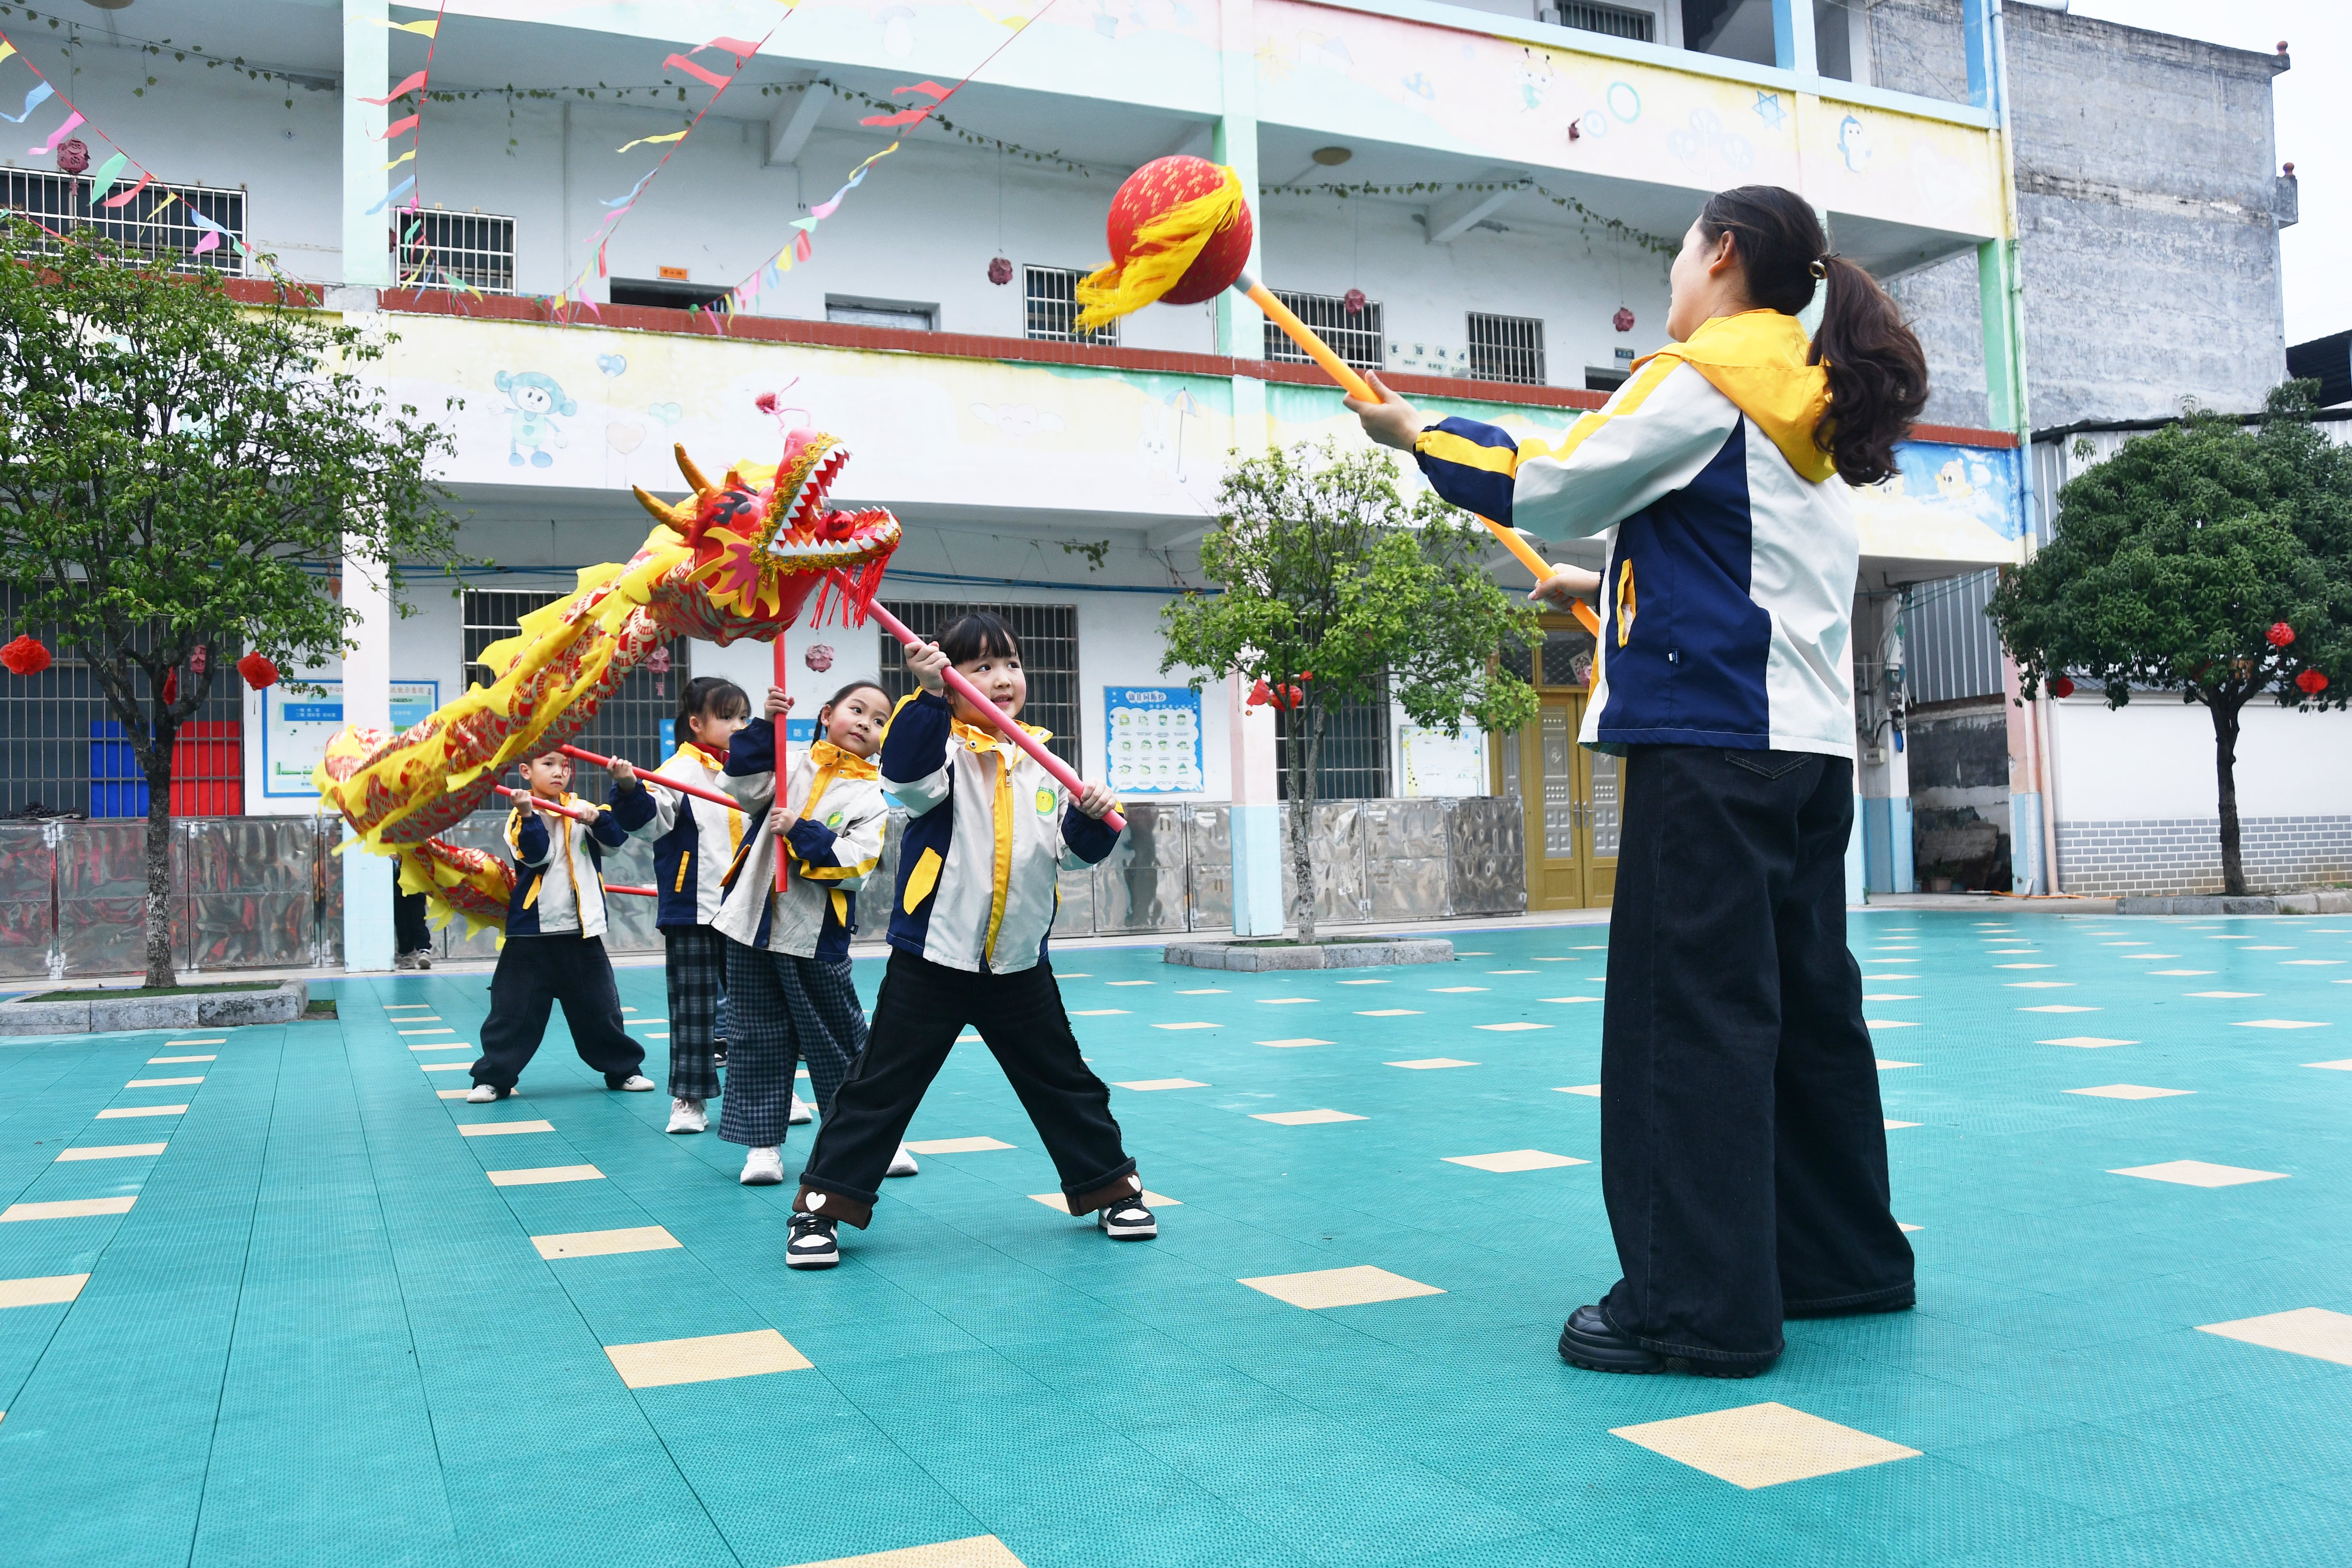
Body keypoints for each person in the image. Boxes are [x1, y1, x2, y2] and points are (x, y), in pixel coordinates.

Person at [1350, 184, 1926, 1377]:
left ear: (1722, 254)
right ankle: (1840, 1261)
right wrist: (1606, 588)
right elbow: (1746, 565)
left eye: (1680, 248)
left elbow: (1552, 480)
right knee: (1808, 1016)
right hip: (1806, 758)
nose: (1672, 272)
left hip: (1711, 755)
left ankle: (1692, 1310)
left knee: (1689, 1024)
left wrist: (1417, 434)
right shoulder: (1807, 399)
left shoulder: (1703, 376)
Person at [783, 612, 1141, 1270]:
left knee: (1064, 1082)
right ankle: (820, 1210)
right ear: (951, 681)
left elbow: (1071, 854)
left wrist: (1092, 818)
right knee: (879, 1087)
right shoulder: (939, 746)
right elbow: (907, 782)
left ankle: (1112, 1190)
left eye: (1011, 665)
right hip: (933, 959)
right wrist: (925, 698)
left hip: (1019, 964)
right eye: (982, 668)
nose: (1002, 679)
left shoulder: (1043, 761)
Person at [711, 679, 893, 1187]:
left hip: (816, 935)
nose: (865, 723)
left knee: (841, 1041)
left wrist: (800, 831)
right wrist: (763, 727)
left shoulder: (873, 796)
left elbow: (856, 866)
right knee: (756, 1038)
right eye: (857, 710)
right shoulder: (788, 761)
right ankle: (763, 1146)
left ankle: (871, 1140)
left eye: (879, 721)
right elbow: (742, 786)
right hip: (750, 925)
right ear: (827, 714)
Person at [466, 748, 660, 1102]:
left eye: (565, 765)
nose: (559, 772)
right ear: (526, 771)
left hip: (581, 935)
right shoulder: (518, 817)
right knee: (511, 1013)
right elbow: (537, 856)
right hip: (531, 934)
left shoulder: (584, 808)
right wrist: (529, 814)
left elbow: (616, 843)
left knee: (601, 1010)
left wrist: (596, 820)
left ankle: (624, 1071)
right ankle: (493, 1078)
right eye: (549, 764)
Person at [645, 676, 755, 1135]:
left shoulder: (748, 769)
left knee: (755, 1008)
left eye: (745, 717)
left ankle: (766, 1090)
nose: (739, 726)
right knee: (693, 1009)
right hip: (692, 908)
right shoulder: (676, 771)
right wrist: (630, 793)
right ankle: (689, 1098)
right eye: (728, 717)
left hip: (746, 906)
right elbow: (648, 823)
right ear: (696, 723)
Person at [393, 862, 433, 969]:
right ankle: (407, 956)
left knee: (418, 919)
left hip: (414, 880)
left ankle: (424, 952)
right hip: (396, 884)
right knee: (402, 922)